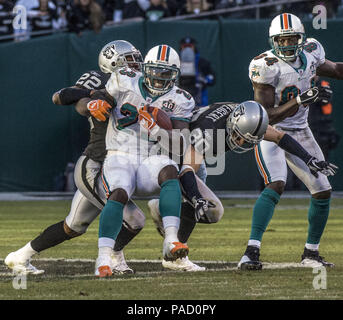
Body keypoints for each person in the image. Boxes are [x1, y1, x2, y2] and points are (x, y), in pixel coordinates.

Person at [4, 40, 146, 275]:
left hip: (119, 164)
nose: (136, 63)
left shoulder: (139, 85)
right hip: (96, 164)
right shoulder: (101, 80)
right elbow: (72, 100)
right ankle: (114, 258)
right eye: (130, 59)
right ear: (114, 64)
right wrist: (93, 101)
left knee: (73, 226)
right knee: (134, 219)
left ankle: (19, 256)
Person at [147, 100, 337, 271]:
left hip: (191, 154)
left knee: (198, 200)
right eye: (240, 137)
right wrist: (196, 198)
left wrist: (309, 159)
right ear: (232, 124)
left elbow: (280, 137)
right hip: (171, 156)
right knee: (210, 209)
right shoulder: (209, 133)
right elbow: (187, 170)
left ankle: (166, 214)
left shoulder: (248, 120)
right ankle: (173, 252)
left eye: (248, 140)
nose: (241, 143)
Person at [238, 13, 343, 270]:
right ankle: (251, 252)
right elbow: (265, 114)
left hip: (300, 130)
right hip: (270, 131)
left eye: (292, 39)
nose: (287, 45)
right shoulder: (265, 65)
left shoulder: (311, 53)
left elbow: (337, 70)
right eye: (281, 40)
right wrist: (300, 100)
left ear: (301, 38)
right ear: (273, 41)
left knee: (322, 190)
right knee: (276, 184)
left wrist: (308, 97)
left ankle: (311, 252)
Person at [89, 44, 196, 277]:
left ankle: (171, 240)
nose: (158, 79)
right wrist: (96, 102)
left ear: (175, 75)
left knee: (169, 170)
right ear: (144, 68)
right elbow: (101, 95)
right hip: (119, 153)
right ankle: (104, 258)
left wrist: (157, 131)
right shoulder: (124, 78)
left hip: (150, 156)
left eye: (165, 73)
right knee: (118, 192)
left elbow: (181, 143)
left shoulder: (180, 99)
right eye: (154, 71)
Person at [308, 77, 340, 160]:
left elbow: (325, 103)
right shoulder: (298, 84)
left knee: (320, 165)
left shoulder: (323, 85)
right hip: (302, 132)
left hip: (319, 133)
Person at [179, 37, 215, 106]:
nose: (187, 49)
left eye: (190, 46)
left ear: (194, 47)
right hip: (180, 95)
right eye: (185, 46)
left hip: (199, 98)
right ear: (181, 47)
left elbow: (212, 79)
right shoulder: (176, 61)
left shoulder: (203, 63)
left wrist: (204, 80)